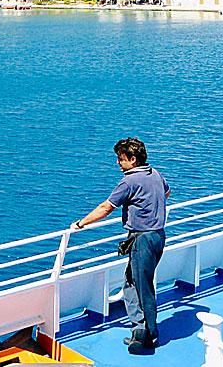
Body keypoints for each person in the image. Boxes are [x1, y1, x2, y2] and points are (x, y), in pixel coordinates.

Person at [70, 137, 170, 355]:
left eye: (121, 159)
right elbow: (166, 193)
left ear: (132, 160)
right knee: (135, 282)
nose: (118, 163)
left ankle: (147, 335)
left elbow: (106, 207)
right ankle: (142, 329)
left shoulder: (129, 182)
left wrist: (80, 223)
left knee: (140, 287)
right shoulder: (155, 174)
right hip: (158, 236)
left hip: (141, 239)